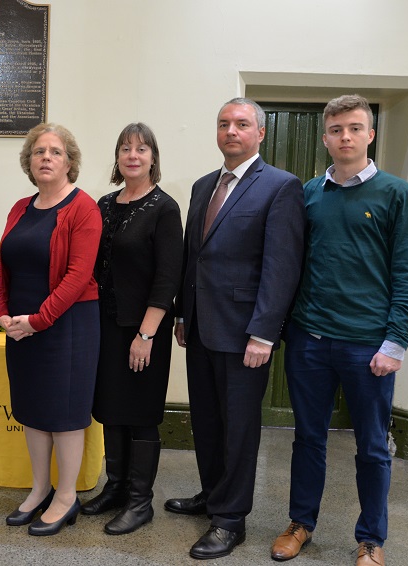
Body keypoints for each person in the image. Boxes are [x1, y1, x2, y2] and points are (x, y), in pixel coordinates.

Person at [270, 95, 408, 566]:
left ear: (370, 135)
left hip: (368, 347)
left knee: (373, 447)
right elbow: (290, 264)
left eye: (355, 128)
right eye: (336, 129)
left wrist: (395, 343)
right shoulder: (309, 193)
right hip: (310, 340)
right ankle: (301, 523)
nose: (345, 137)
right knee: (308, 438)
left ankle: (371, 540)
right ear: (325, 138)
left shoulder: (396, 194)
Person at [165, 98, 305, 559]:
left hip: (246, 332)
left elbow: (281, 267)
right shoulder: (205, 185)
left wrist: (264, 333)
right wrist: (184, 314)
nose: (231, 131)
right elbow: (194, 255)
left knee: (239, 427)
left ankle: (231, 520)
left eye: (242, 124)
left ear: (260, 133)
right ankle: (212, 495)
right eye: (224, 123)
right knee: (205, 421)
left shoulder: (281, 187)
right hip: (202, 327)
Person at [0, 122, 102, 537]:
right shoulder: (20, 207)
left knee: (65, 414)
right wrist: (3, 315)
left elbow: (77, 276)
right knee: (33, 410)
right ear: (29, 161)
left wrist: (38, 320)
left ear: (69, 162)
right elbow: (4, 265)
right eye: (39, 151)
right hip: (20, 328)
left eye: (55, 152)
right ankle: (40, 488)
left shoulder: (83, 208)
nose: (46, 158)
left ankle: (66, 495)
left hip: (67, 326)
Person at [81, 123, 183, 535]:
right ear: (117, 157)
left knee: (140, 413)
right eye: (125, 148)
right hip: (105, 325)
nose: (133, 155)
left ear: (153, 158)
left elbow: (168, 277)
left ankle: (141, 502)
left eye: (142, 149)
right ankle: (117, 487)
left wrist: (146, 335)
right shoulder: (104, 204)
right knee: (110, 409)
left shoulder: (164, 208)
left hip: (144, 329)